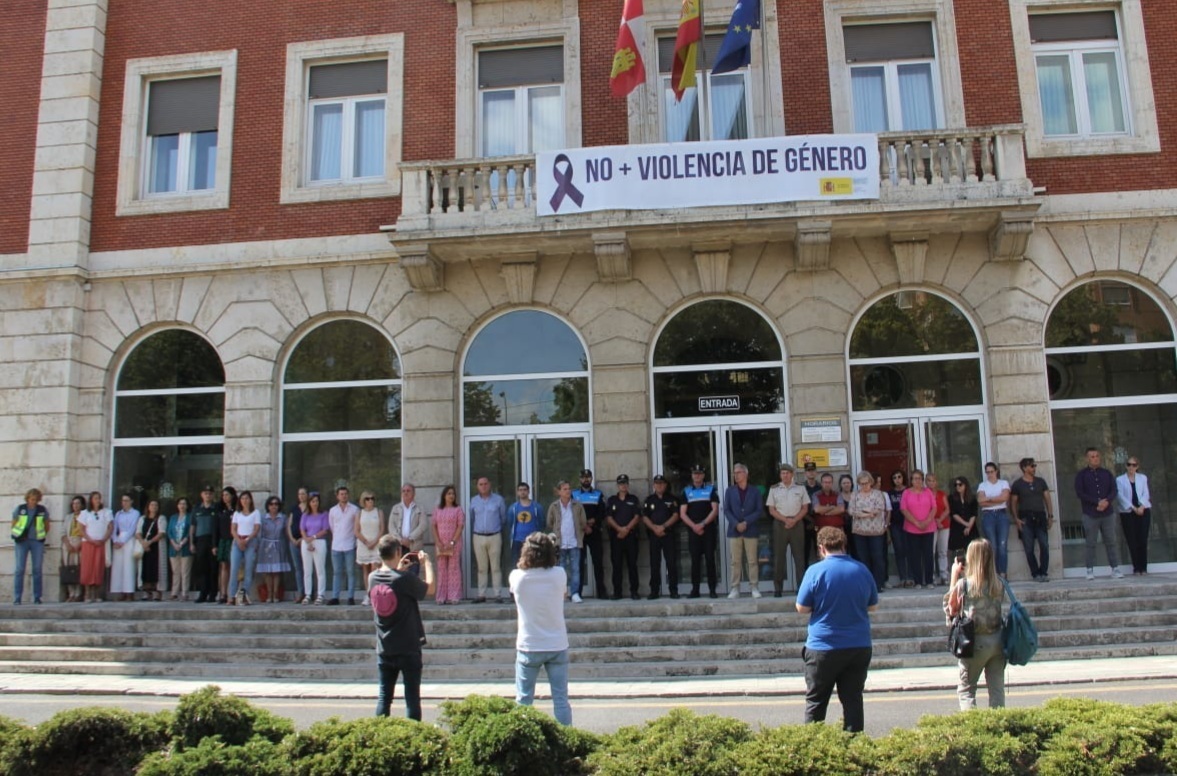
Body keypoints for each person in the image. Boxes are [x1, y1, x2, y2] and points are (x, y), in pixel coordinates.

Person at [796, 526, 878, 733]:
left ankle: (813, 745)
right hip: (858, 644)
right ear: (844, 545)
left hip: (823, 646)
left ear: (821, 548)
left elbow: (802, 607)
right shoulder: (861, 569)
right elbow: (872, 606)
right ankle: (854, 745)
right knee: (853, 700)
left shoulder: (815, 571)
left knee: (816, 702)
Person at [509, 532, 573, 726]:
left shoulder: (517, 577)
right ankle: (567, 739)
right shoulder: (559, 574)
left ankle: (523, 739)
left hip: (529, 644)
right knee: (561, 700)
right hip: (556, 643)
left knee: (523, 700)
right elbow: (562, 595)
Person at [370, 535, 435, 720]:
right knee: (412, 698)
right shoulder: (404, 579)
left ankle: (379, 730)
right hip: (408, 645)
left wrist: (398, 570)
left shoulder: (372, 578)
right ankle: (413, 734)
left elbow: (389, 584)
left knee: (384, 697)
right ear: (398, 552)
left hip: (384, 646)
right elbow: (430, 589)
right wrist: (427, 563)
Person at [944, 538, 1006, 710]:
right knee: (997, 690)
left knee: (967, 690)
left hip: (974, 642)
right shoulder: (999, 584)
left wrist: (954, 576)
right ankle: (999, 724)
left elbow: (951, 610)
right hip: (997, 641)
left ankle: (973, 724)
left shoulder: (964, 585)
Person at [1075, 448, 1123, 580]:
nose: (1095, 458)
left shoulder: (1106, 473)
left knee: (1111, 541)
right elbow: (1080, 493)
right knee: (1090, 542)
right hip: (1090, 513)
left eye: (1097, 456)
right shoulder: (1082, 475)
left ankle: (1115, 568)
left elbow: (1114, 490)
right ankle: (1089, 569)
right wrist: (1096, 502)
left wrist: (1107, 501)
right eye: (1092, 456)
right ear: (1087, 459)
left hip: (1107, 513)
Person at [766, 463, 808, 598]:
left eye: (787, 473)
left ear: (792, 474)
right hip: (780, 524)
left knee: (799, 558)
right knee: (779, 557)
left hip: (797, 523)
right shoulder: (774, 489)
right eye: (783, 473)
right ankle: (778, 589)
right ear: (780, 475)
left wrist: (794, 520)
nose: (785, 475)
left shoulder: (800, 488)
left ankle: (801, 588)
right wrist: (785, 520)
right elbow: (771, 510)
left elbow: (805, 508)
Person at [1010, 458, 1054, 582]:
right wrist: (1016, 519)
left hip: (1040, 516)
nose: (1034, 468)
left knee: (1044, 545)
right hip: (1025, 517)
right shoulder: (1018, 484)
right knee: (1029, 548)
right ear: (1024, 468)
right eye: (1031, 466)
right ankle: (1035, 573)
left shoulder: (1040, 482)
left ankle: (1043, 572)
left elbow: (1047, 499)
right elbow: (1013, 502)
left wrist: (1050, 516)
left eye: (1034, 466)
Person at [680, 465, 720, 598]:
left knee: (710, 559)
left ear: (703, 475)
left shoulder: (711, 490)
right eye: (695, 474)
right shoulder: (686, 491)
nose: (697, 476)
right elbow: (682, 513)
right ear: (692, 476)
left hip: (708, 529)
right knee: (695, 561)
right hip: (693, 530)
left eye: (699, 474)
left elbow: (715, 510)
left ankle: (712, 590)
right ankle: (695, 590)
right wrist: (694, 526)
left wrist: (702, 524)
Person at [724, 463, 763, 599]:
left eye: (738, 472)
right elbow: (726, 510)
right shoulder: (729, 491)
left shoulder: (755, 491)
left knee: (752, 561)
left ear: (746, 474)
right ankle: (735, 588)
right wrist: (736, 523)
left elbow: (759, 510)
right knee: (735, 562)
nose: (736, 475)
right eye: (734, 473)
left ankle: (754, 587)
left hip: (750, 529)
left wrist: (746, 522)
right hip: (734, 530)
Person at [546, 480, 586, 603]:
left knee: (575, 569)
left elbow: (583, 522)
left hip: (574, 542)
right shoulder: (554, 506)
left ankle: (575, 593)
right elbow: (549, 522)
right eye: (565, 489)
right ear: (559, 492)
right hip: (560, 543)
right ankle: (562, 593)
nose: (568, 491)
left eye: (569, 488)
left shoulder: (577, 505)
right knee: (560, 570)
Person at [847, 471, 888, 592]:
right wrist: (867, 513)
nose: (864, 486)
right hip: (860, 532)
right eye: (861, 483)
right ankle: (866, 584)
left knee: (877, 557)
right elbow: (851, 511)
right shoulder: (855, 495)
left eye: (866, 483)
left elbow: (879, 508)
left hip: (876, 532)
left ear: (871, 482)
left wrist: (862, 512)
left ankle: (878, 584)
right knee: (863, 558)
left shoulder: (878, 494)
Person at [642, 474, 681, 600]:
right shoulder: (649, 500)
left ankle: (673, 591)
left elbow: (676, 515)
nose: (659, 485)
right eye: (657, 483)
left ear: (665, 485)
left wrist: (663, 527)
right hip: (654, 535)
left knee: (671, 563)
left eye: (661, 483)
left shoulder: (672, 499)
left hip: (668, 534)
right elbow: (645, 517)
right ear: (654, 485)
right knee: (654, 564)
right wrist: (655, 528)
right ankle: (654, 591)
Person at [469, 476, 507, 603]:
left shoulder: (498, 500)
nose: (483, 486)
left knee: (496, 566)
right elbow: (472, 518)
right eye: (481, 484)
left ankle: (498, 594)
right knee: (481, 567)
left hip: (495, 536)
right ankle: (481, 594)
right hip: (478, 536)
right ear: (477, 486)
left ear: (489, 485)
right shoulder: (474, 501)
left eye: (485, 483)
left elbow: (503, 518)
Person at [11, 487, 50, 605]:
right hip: (22, 541)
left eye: (36, 499)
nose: (33, 501)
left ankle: (37, 597)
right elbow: (13, 524)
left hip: (37, 541)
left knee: (37, 569)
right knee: (19, 569)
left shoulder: (42, 510)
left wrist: (41, 535)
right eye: (32, 499)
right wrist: (18, 534)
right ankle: (17, 597)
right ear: (27, 498)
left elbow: (47, 525)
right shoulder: (20, 509)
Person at [573, 470, 608, 599]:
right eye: (583, 477)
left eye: (588, 477)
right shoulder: (574, 494)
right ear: (580, 479)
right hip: (580, 533)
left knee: (598, 563)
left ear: (592, 479)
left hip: (595, 531)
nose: (586, 479)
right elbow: (572, 513)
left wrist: (593, 522)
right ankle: (578, 592)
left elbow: (602, 512)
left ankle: (601, 592)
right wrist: (584, 525)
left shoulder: (598, 494)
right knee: (579, 564)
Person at [606, 474, 642, 600]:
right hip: (616, 537)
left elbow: (637, 517)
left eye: (625, 483)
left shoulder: (633, 499)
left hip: (631, 536)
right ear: (617, 485)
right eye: (621, 483)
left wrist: (626, 529)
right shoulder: (612, 500)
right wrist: (619, 529)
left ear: (628, 484)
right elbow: (609, 518)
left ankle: (634, 592)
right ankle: (617, 592)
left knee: (632, 565)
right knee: (616, 565)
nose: (623, 486)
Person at [900, 470, 937, 589]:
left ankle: (929, 580)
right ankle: (918, 581)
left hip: (928, 528)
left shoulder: (928, 492)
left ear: (922, 480)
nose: (917, 481)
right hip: (912, 528)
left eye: (919, 478)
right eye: (915, 478)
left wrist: (927, 521)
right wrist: (916, 523)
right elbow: (903, 509)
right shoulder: (906, 493)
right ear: (911, 480)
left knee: (928, 554)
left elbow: (934, 508)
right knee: (915, 555)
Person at [1116, 456, 1151, 575]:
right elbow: (1120, 497)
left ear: (1137, 466)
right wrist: (1133, 508)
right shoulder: (1120, 479)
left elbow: (1146, 493)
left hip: (1143, 511)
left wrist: (1141, 506)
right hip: (1128, 512)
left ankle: (1143, 567)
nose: (1131, 467)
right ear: (1126, 466)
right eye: (1129, 464)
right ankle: (1136, 567)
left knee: (1142, 539)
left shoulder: (1143, 478)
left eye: (1134, 465)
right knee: (1132, 540)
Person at [977, 463, 1011, 578]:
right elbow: (981, 501)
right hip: (988, 515)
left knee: (1002, 545)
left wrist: (989, 499)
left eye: (992, 472)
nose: (990, 474)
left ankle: (1003, 574)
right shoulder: (982, 485)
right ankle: (994, 575)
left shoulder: (1003, 483)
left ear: (996, 471)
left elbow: (1005, 498)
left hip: (1002, 514)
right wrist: (997, 500)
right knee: (993, 546)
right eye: (987, 472)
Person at [77, 492, 113, 603]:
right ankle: (87, 594)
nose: (98, 500)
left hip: (100, 543)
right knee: (88, 567)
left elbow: (110, 527)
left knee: (98, 567)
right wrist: (90, 540)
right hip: (88, 543)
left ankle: (97, 593)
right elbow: (81, 529)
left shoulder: (106, 512)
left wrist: (103, 539)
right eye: (95, 498)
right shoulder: (85, 513)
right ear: (91, 500)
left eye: (99, 498)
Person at [432, 485, 465, 604]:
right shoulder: (437, 510)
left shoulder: (458, 509)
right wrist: (438, 542)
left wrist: (452, 542)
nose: (451, 496)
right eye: (449, 493)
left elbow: (460, 526)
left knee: (453, 569)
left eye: (453, 494)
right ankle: (441, 597)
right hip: (441, 544)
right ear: (444, 496)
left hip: (454, 544)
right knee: (441, 569)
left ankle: (454, 596)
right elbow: (434, 526)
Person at [328, 486, 359, 605]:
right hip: (336, 545)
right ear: (337, 496)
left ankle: (350, 597)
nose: (344, 496)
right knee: (337, 572)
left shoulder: (354, 509)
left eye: (345, 494)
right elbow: (332, 527)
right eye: (341, 494)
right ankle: (335, 597)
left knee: (351, 572)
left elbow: (356, 526)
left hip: (349, 545)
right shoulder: (333, 511)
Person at [257, 496, 291, 603]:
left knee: (277, 571)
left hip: (279, 544)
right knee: (267, 571)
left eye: (276, 504)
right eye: (271, 504)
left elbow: (287, 532)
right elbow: (260, 533)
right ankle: (269, 593)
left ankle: (275, 593)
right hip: (266, 546)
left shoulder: (283, 518)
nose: (274, 506)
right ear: (268, 506)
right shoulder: (263, 518)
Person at [229, 490, 261, 605]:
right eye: (242, 498)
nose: (245, 501)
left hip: (250, 541)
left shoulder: (255, 513)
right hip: (237, 541)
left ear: (250, 500)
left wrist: (247, 540)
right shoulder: (237, 513)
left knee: (249, 569)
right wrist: (239, 540)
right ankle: (232, 596)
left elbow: (256, 529)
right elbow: (233, 529)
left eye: (247, 498)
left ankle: (244, 594)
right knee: (234, 569)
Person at [299, 492, 330, 605]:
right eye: (312, 501)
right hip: (306, 542)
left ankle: (320, 594)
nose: (315, 503)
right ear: (309, 503)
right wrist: (307, 540)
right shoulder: (305, 515)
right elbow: (302, 529)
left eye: (316, 501)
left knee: (320, 569)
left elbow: (325, 529)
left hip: (319, 541)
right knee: (307, 570)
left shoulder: (324, 514)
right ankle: (308, 594)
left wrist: (313, 537)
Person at [355, 491, 384, 605]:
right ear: (363, 501)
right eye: (367, 499)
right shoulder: (359, 513)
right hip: (364, 544)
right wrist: (366, 542)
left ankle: (375, 594)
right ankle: (368, 594)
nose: (370, 501)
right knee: (365, 570)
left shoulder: (379, 512)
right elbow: (356, 531)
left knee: (374, 570)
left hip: (376, 543)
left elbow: (382, 529)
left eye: (372, 498)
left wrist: (375, 541)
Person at [110, 494, 140, 602]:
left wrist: (123, 541)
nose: (124, 503)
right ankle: (120, 591)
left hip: (129, 539)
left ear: (131, 501)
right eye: (123, 500)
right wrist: (115, 540)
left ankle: (129, 592)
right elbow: (114, 528)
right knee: (118, 567)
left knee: (129, 566)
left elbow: (133, 528)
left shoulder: (135, 513)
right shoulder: (118, 513)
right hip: (119, 539)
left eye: (127, 500)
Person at [191, 485, 219, 603]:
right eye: (205, 493)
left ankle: (212, 594)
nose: (208, 495)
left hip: (212, 540)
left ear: (213, 495)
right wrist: (191, 543)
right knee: (202, 569)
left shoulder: (216, 508)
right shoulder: (196, 509)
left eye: (210, 493)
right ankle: (203, 593)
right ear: (202, 495)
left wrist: (215, 544)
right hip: (200, 540)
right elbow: (192, 526)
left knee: (213, 568)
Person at [509, 482, 543, 569]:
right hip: (517, 541)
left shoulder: (537, 507)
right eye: (520, 490)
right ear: (517, 492)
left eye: (524, 490)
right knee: (516, 565)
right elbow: (510, 523)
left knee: (534, 564)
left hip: (533, 541)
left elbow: (542, 523)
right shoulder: (513, 508)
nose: (522, 492)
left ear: (528, 491)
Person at [136, 499, 164, 601]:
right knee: (145, 569)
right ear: (148, 507)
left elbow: (161, 533)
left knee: (156, 570)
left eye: (156, 505)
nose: (154, 507)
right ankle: (147, 592)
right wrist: (143, 542)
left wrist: (150, 542)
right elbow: (138, 532)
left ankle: (157, 592)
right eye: (152, 505)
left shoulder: (161, 518)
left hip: (156, 548)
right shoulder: (142, 518)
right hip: (144, 548)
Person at [389, 483, 428, 555]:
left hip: (414, 546)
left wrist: (410, 538)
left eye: (408, 491)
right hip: (398, 546)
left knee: (414, 562)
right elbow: (391, 526)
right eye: (403, 491)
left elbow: (423, 525)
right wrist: (400, 540)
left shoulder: (420, 508)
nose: (405, 493)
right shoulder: (395, 508)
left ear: (414, 493)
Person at [887, 471, 910, 588]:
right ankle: (902, 578)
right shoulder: (889, 493)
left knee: (909, 550)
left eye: (899, 477)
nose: (897, 479)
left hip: (909, 523)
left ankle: (911, 578)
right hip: (895, 525)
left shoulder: (909, 491)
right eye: (894, 477)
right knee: (899, 551)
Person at [166, 498, 193, 601]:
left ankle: (185, 593)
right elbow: (169, 531)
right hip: (173, 547)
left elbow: (190, 531)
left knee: (185, 571)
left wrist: (182, 543)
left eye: (184, 504)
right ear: (177, 506)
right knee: (175, 571)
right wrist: (174, 543)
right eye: (180, 504)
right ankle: (174, 592)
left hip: (185, 547)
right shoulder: (173, 517)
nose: (182, 506)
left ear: (187, 506)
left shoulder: (190, 517)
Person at [286, 487, 309, 603]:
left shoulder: (310, 508)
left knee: (308, 568)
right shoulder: (294, 509)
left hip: (306, 541)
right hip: (294, 542)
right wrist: (292, 539)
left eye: (303, 494)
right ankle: (301, 593)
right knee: (298, 568)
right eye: (299, 494)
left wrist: (302, 539)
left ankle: (310, 592)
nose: (301, 496)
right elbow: (289, 525)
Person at [215, 487, 238, 604]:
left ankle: (232, 593)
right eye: (223, 495)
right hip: (223, 540)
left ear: (232, 496)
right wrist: (214, 544)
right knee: (224, 566)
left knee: (234, 567)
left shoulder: (237, 511)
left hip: (234, 540)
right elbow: (215, 528)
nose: (225, 497)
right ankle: (223, 593)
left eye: (227, 495)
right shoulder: (220, 510)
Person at [948, 476, 978, 560]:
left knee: (972, 551)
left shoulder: (972, 498)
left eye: (960, 484)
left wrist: (969, 526)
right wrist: (966, 524)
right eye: (956, 485)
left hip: (971, 528)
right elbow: (953, 514)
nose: (958, 486)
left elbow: (974, 514)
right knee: (959, 553)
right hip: (957, 527)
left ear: (965, 485)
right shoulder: (951, 498)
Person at [62, 495, 86, 602]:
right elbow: (63, 532)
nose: (75, 506)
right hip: (68, 542)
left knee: (78, 568)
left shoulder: (85, 516)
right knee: (68, 568)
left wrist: (80, 544)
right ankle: (71, 593)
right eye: (74, 504)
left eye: (78, 503)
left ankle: (78, 593)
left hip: (80, 542)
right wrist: (67, 544)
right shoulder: (68, 517)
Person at [801, 462, 821, 568]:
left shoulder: (821, 487)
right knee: (805, 551)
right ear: (805, 473)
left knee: (821, 550)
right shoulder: (801, 488)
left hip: (819, 521)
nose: (811, 473)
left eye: (813, 470)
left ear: (816, 472)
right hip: (805, 522)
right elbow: (798, 506)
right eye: (808, 471)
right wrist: (809, 520)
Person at [838, 474, 858, 561]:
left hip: (856, 527)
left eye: (848, 482)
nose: (846, 485)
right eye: (844, 483)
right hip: (842, 526)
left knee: (856, 551)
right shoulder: (838, 496)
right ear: (840, 485)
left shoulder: (857, 495)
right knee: (843, 550)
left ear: (851, 484)